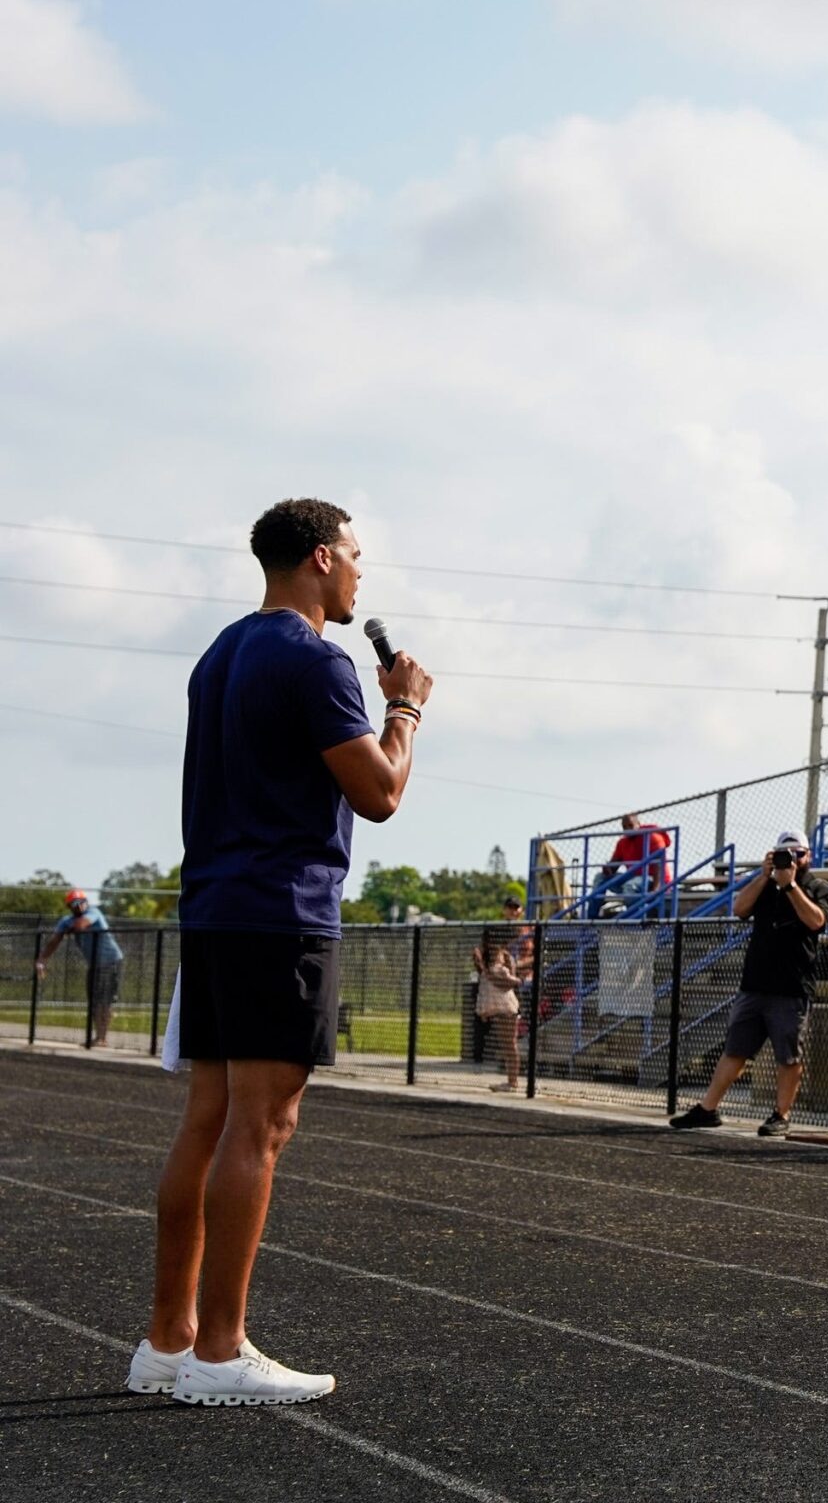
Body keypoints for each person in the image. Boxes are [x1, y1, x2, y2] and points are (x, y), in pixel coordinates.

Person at [141, 497, 431, 1407]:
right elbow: (380, 794)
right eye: (353, 555)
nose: (358, 573)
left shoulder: (219, 652)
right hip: (283, 913)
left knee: (208, 1118)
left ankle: (168, 1340)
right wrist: (406, 709)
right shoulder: (317, 660)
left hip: (217, 907)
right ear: (317, 558)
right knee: (260, 1127)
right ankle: (221, 1351)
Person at [672, 830, 828, 1136]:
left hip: (792, 986)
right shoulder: (766, 886)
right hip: (755, 982)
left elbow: (816, 921)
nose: (791, 860)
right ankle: (708, 1108)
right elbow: (740, 909)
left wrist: (791, 887)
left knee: (788, 1055)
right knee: (735, 1049)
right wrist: (764, 876)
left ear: (808, 856)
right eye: (783, 854)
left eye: (797, 854)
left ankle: (781, 1114)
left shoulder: (817, 887)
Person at [38, 887, 126, 1045]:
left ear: (86, 902)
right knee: (94, 1001)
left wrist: (67, 930)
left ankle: (102, 1037)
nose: (79, 906)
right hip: (94, 964)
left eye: (81, 902)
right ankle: (99, 1036)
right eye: (74, 903)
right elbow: (54, 941)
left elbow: (81, 925)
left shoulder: (94, 912)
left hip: (111, 961)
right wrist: (42, 959)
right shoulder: (66, 921)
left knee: (104, 1000)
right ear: (69, 906)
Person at [470, 923, 526, 1091]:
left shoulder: (506, 957)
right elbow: (485, 978)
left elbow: (510, 983)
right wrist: (482, 967)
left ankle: (513, 1081)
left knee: (510, 1043)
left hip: (506, 1005)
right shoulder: (485, 958)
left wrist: (492, 975)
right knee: (505, 1043)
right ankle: (510, 1080)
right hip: (493, 1003)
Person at [593, 811, 672, 915]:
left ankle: (635, 920)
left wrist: (655, 890)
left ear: (638, 824)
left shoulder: (653, 836)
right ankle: (591, 918)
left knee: (630, 886)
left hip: (654, 880)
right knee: (600, 877)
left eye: (630, 825)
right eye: (624, 827)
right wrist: (608, 870)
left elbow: (659, 865)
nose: (627, 829)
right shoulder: (622, 843)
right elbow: (614, 866)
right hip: (634, 877)